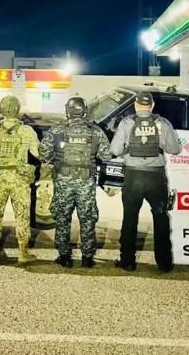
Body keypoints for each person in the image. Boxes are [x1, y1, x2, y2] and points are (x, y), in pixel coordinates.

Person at [110, 91, 181, 272]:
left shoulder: (127, 123)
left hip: (133, 176)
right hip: (155, 177)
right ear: (152, 105)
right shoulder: (163, 123)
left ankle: (127, 261)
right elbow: (174, 149)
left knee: (130, 218)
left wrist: (128, 150)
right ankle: (164, 263)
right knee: (161, 217)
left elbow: (115, 150)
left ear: (135, 104)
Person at [39, 96, 108, 268]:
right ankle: (87, 258)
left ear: (68, 111)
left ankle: (64, 256)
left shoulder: (57, 130)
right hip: (86, 182)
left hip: (64, 182)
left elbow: (43, 154)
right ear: (85, 111)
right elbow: (106, 155)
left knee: (62, 218)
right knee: (87, 219)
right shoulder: (95, 131)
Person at [0, 95, 40, 265]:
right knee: (22, 216)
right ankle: (23, 253)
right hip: (20, 179)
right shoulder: (27, 130)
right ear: (18, 110)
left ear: (1, 110)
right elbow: (38, 153)